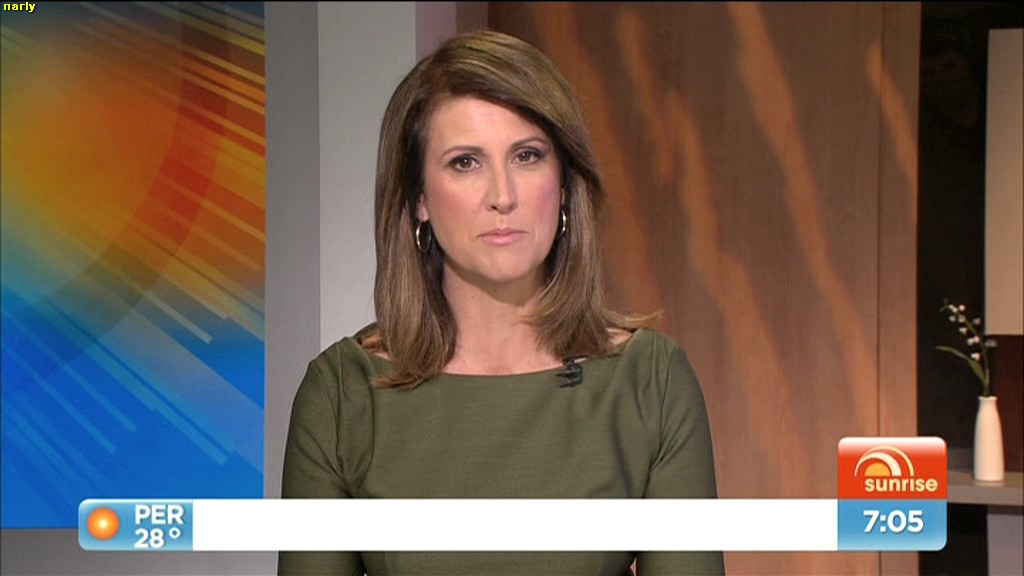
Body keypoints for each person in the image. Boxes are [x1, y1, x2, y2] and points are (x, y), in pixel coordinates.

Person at [278, 29, 723, 576]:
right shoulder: (342, 396)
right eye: (466, 162)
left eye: (527, 156)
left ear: (564, 185)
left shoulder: (650, 383)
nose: (503, 196)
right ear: (419, 199)